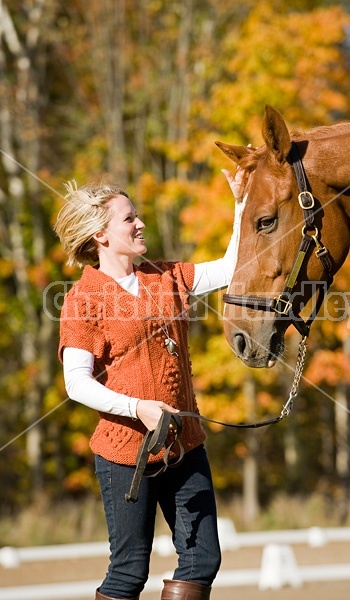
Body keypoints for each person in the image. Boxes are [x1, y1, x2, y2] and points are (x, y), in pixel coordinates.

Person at [54, 168, 244, 600]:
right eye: (128, 218)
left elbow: (233, 267)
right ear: (100, 235)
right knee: (129, 571)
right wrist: (138, 407)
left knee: (203, 559)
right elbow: (76, 384)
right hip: (125, 455)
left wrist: (241, 202)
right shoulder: (83, 298)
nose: (140, 224)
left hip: (185, 446)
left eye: (136, 215)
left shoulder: (166, 276)